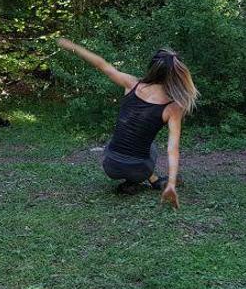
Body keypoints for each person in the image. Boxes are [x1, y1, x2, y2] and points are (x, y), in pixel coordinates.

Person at [56, 38, 199, 209]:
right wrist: (172, 184)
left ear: (152, 68)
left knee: (128, 141)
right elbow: (172, 149)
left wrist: (73, 46)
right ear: (174, 75)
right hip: (139, 169)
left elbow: (103, 65)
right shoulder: (173, 106)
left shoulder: (131, 84)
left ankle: (147, 181)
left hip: (110, 165)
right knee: (150, 146)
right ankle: (151, 180)